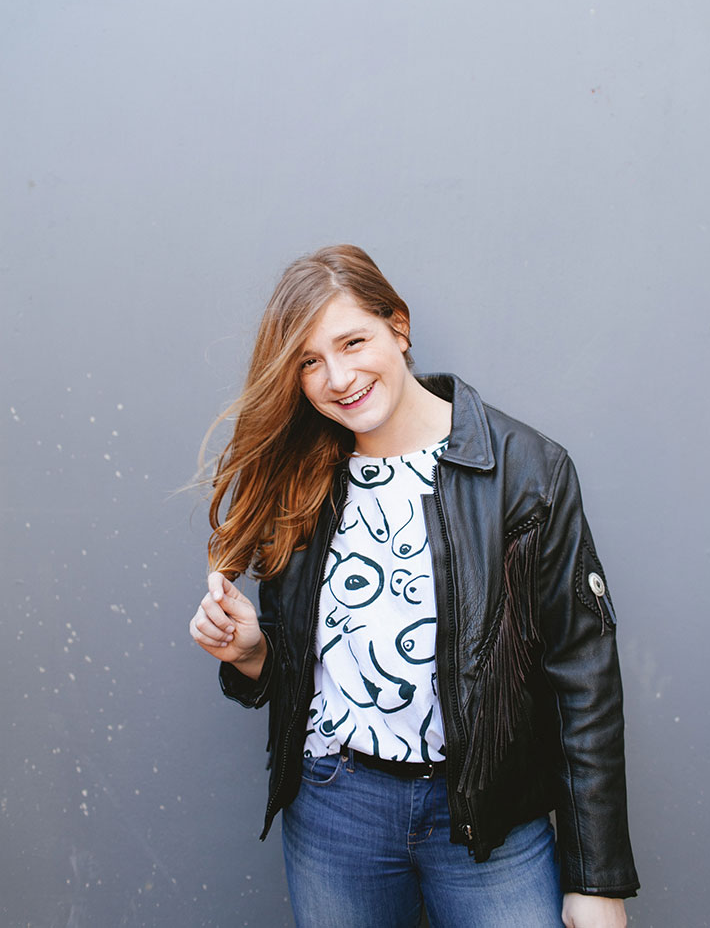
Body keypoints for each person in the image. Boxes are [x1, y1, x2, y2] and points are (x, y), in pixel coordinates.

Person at [189, 244, 639, 927]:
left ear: (397, 325)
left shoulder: (525, 470)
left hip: (491, 816)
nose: (339, 377)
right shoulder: (301, 479)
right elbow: (307, 667)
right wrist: (254, 654)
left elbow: (584, 676)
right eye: (309, 361)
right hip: (336, 809)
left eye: (352, 342)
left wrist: (596, 879)